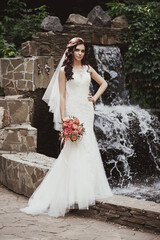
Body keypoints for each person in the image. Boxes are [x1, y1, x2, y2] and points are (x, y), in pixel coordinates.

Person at [20, 37, 113, 218]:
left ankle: (86, 189)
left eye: (83, 51)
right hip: (73, 111)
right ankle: (68, 195)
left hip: (86, 110)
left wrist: (94, 98)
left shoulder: (87, 68)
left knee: (88, 147)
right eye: (77, 50)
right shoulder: (64, 71)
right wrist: (64, 119)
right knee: (72, 150)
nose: (80, 53)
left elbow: (104, 83)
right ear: (71, 51)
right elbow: (62, 96)